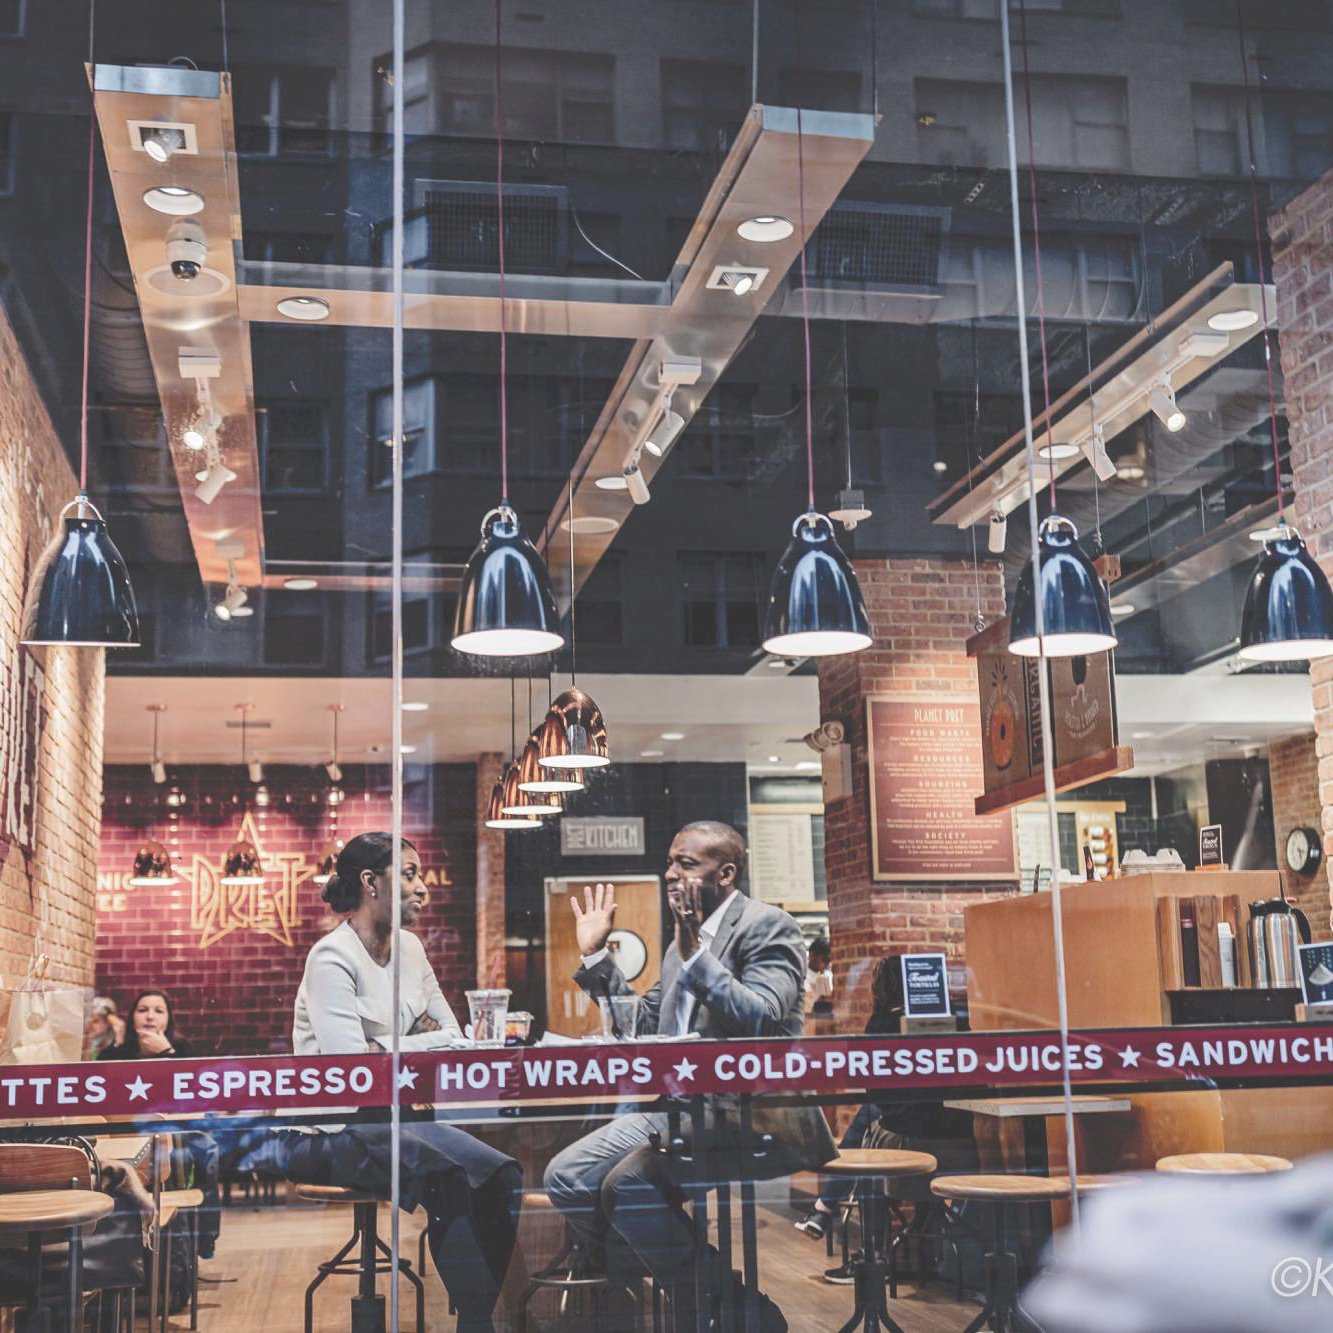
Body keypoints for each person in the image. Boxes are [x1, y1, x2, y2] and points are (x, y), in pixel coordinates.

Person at [544, 820, 836, 1333]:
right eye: (669, 863)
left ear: (726, 873)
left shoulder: (768, 926)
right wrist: (595, 955)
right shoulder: (682, 944)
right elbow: (642, 1024)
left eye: (686, 864)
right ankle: (709, 1296)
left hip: (747, 1115)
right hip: (675, 1110)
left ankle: (717, 1307)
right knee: (566, 1178)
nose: (670, 874)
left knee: (627, 1185)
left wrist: (697, 957)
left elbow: (765, 1021)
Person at [283, 832, 521, 1333]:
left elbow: (454, 1035)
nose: (423, 888)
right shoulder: (331, 958)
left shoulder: (410, 949)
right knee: (448, 1175)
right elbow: (353, 1070)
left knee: (500, 1175)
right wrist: (407, 1042)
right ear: (371, 882)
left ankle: (476, 1313)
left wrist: (384, 1046)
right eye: (409, 875)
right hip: (328, 1132)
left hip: (397, 1121)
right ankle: (479, 1324)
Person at [794, 954, 976, 1283]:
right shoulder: (956, 1019)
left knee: (870, 1149)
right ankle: (916, 1243)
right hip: (962, 1150)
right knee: (879, 1117)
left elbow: (873, 1090)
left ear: (883, 987)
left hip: (913, 1152)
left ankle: (871, 1255)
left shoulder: (883, 1024)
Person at [96, 989, 191, 1059]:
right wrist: (118, 1044)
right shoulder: (115, 1054)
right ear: (133, 1020)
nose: (150, 1017)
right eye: (142, 1010)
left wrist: (167, 1051)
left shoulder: (184, 1049)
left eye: (159, 1011)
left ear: (168, 1021)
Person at [804, 935, 834, 1018]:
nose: (828, 965)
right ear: (812, 956)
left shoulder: (828, 976)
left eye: (830, 961)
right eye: (825, 960)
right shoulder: (802, 978)